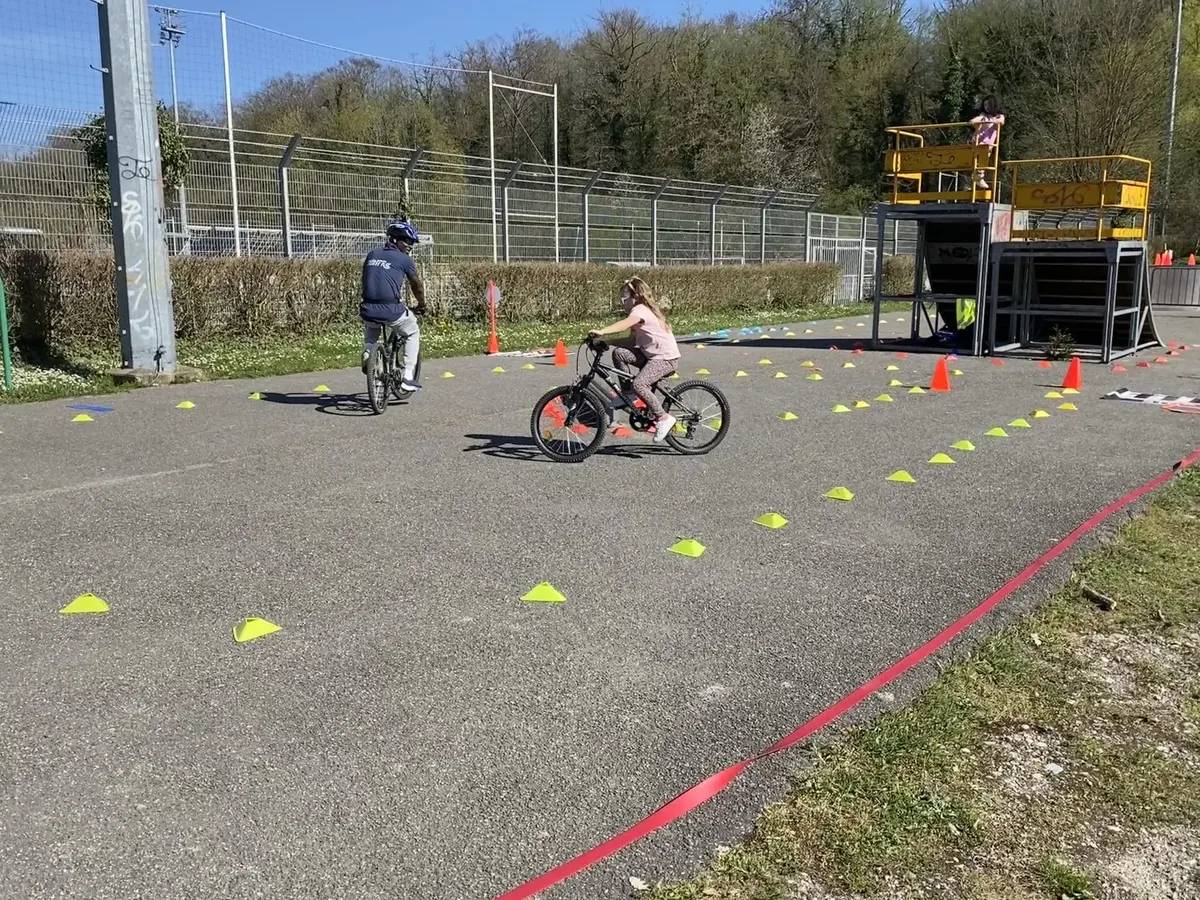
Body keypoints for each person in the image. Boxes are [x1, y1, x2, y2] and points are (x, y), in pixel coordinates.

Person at [588, 276, 680, 443]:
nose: (622, 300)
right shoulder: (641, 312)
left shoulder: (640, 310)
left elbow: (624, 324)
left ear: (635, 296)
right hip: (651, 356)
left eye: (625, 296)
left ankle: (663, 418)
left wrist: (603, 331)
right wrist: (607, 341)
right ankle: (628, 394)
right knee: (619, 353)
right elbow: (631, 341)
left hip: (664, 359)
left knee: (639, 384)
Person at [360, 220, 425, 392]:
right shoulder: (404, 260)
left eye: (412, 242)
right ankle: (408, 377)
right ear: (394, 239)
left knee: (373, 324)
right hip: (390, 310)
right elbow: (417, 286)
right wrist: (421, 304)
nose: (410, 245)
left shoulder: (372, 254)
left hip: (367, 309)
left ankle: (368, 351)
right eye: (407, 241)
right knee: (412, 331)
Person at [969, 94, 1004, 190]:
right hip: (979, 140)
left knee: (984, 159)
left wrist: (996, 122)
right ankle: (976, 176)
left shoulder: (998, 116)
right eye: (985, 105)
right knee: (975, 158)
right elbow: (979, 118)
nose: (986, 107)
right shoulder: (984, 116)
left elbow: (1001, 121)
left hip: (989, 142)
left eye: (988, 105)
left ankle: (979, 175)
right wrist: (972, 121)